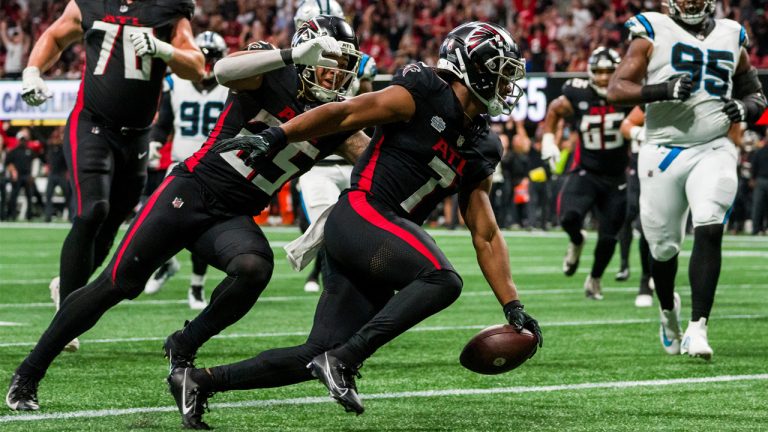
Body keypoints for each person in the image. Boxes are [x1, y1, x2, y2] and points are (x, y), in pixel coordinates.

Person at [166, 22, 542, 429]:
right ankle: (343, 362)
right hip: (361, 214)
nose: (506, 84)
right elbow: (346, 112)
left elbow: (484, 233)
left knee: (315, 350)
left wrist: (513, 304)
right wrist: (279, 135)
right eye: (500, 71)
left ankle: (199, 382)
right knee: (441, 280)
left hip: (379, 244)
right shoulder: (423, 90)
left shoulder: (485, 145)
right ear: (473, 66)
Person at [6, 15, 369, 415]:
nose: (335, 76)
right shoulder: (272, 71)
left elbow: (376, 162)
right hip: (191, 190)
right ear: (307, 52)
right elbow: (223, 69)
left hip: (233, 213)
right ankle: (28, 372)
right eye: (328, 63)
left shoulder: (339, 117)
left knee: (253, 267)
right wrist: (289, 54)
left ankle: (185, 343)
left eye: (343, 66)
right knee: (117, 283)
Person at [20, 0, 205, 352]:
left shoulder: (167, 8)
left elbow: (196, 66)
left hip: (137, 134)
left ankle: (68, 288)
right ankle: (67, 318)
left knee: (112, 223)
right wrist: (32, 70)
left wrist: (163, 48)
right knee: (93, 210)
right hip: (92, 123)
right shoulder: (90, 2)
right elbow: (56, 36)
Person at [607, 0, 766, 359]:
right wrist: (660, 90)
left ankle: (698, 326)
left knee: (710, 222)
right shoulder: (650, 30)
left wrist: (746, 109)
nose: (691, 2)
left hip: (713, 147)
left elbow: (755, 94)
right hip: (662, 150)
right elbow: (616, 90)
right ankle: (668, 313)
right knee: (663, 250)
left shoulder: (731, 34)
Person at [293, 0, 378, 293]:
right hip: (316, 160)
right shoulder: (292, 66)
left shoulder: (362, 63)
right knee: (328, 230)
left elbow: (370, 110)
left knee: (360, 231)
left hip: (349, 152)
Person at [142, 31, 230, 310]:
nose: (207, 64)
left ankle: (196, 286)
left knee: (198, 227)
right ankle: (167, 265)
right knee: (151, 219)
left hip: (214, 169)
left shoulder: (230, 87)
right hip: (180, 163)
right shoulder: (175, 83)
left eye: (212, 58)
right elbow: (164, 121)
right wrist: (155, 141)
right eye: (203, 57)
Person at [541, 47, 631, 300]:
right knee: (568, 217)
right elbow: (556, 109)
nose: (604, 77)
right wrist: (549, 141)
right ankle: (577, 239)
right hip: (587, 171)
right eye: (599, 72)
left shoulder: (629, 93)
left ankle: (595, 279)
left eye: (609, 71)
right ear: (591, 72)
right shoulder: (578, 92)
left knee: (609, 237)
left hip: (616, 177)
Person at [617, 106, 655, 307]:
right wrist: (642, 133)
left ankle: (659, 273)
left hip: (673, 162)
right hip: (643, 164)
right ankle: (643, 278)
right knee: (637, 215)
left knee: (663, 224)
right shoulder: (650, 99)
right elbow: (626, 125)